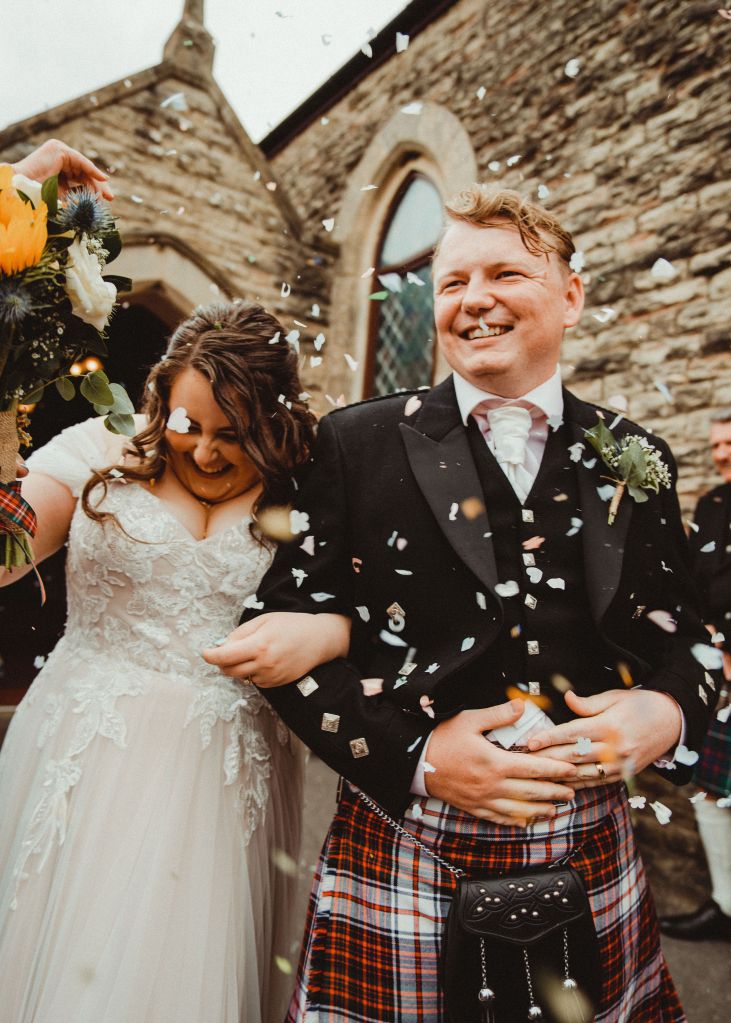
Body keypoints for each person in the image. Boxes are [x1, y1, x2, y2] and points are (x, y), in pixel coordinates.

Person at [209, 187, 715, 1022]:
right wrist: (416, 760)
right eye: (450, 283)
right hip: (406, 838)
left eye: (504, 273)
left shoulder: (634, 454)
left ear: (570, 295)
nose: (472, 300)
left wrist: (663, 711)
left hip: (589, 842)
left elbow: (688, 636)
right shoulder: (356, 441)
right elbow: (272, 644)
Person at [0, 298, 351, 1023]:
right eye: (188, 423)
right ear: (159, 394)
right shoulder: (98, 450)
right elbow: (5, 557)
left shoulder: (305, 486)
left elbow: (364, 611)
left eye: (235, 434)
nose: (207, 451)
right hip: (86, 750)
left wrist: (329, 634)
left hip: (228, 775)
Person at [659, 412, 731, 942]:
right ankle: (727, 906)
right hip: (720, 670)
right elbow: (697, 582)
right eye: (717, 444)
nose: (722, 453)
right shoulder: (712, 504)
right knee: (711, 792)